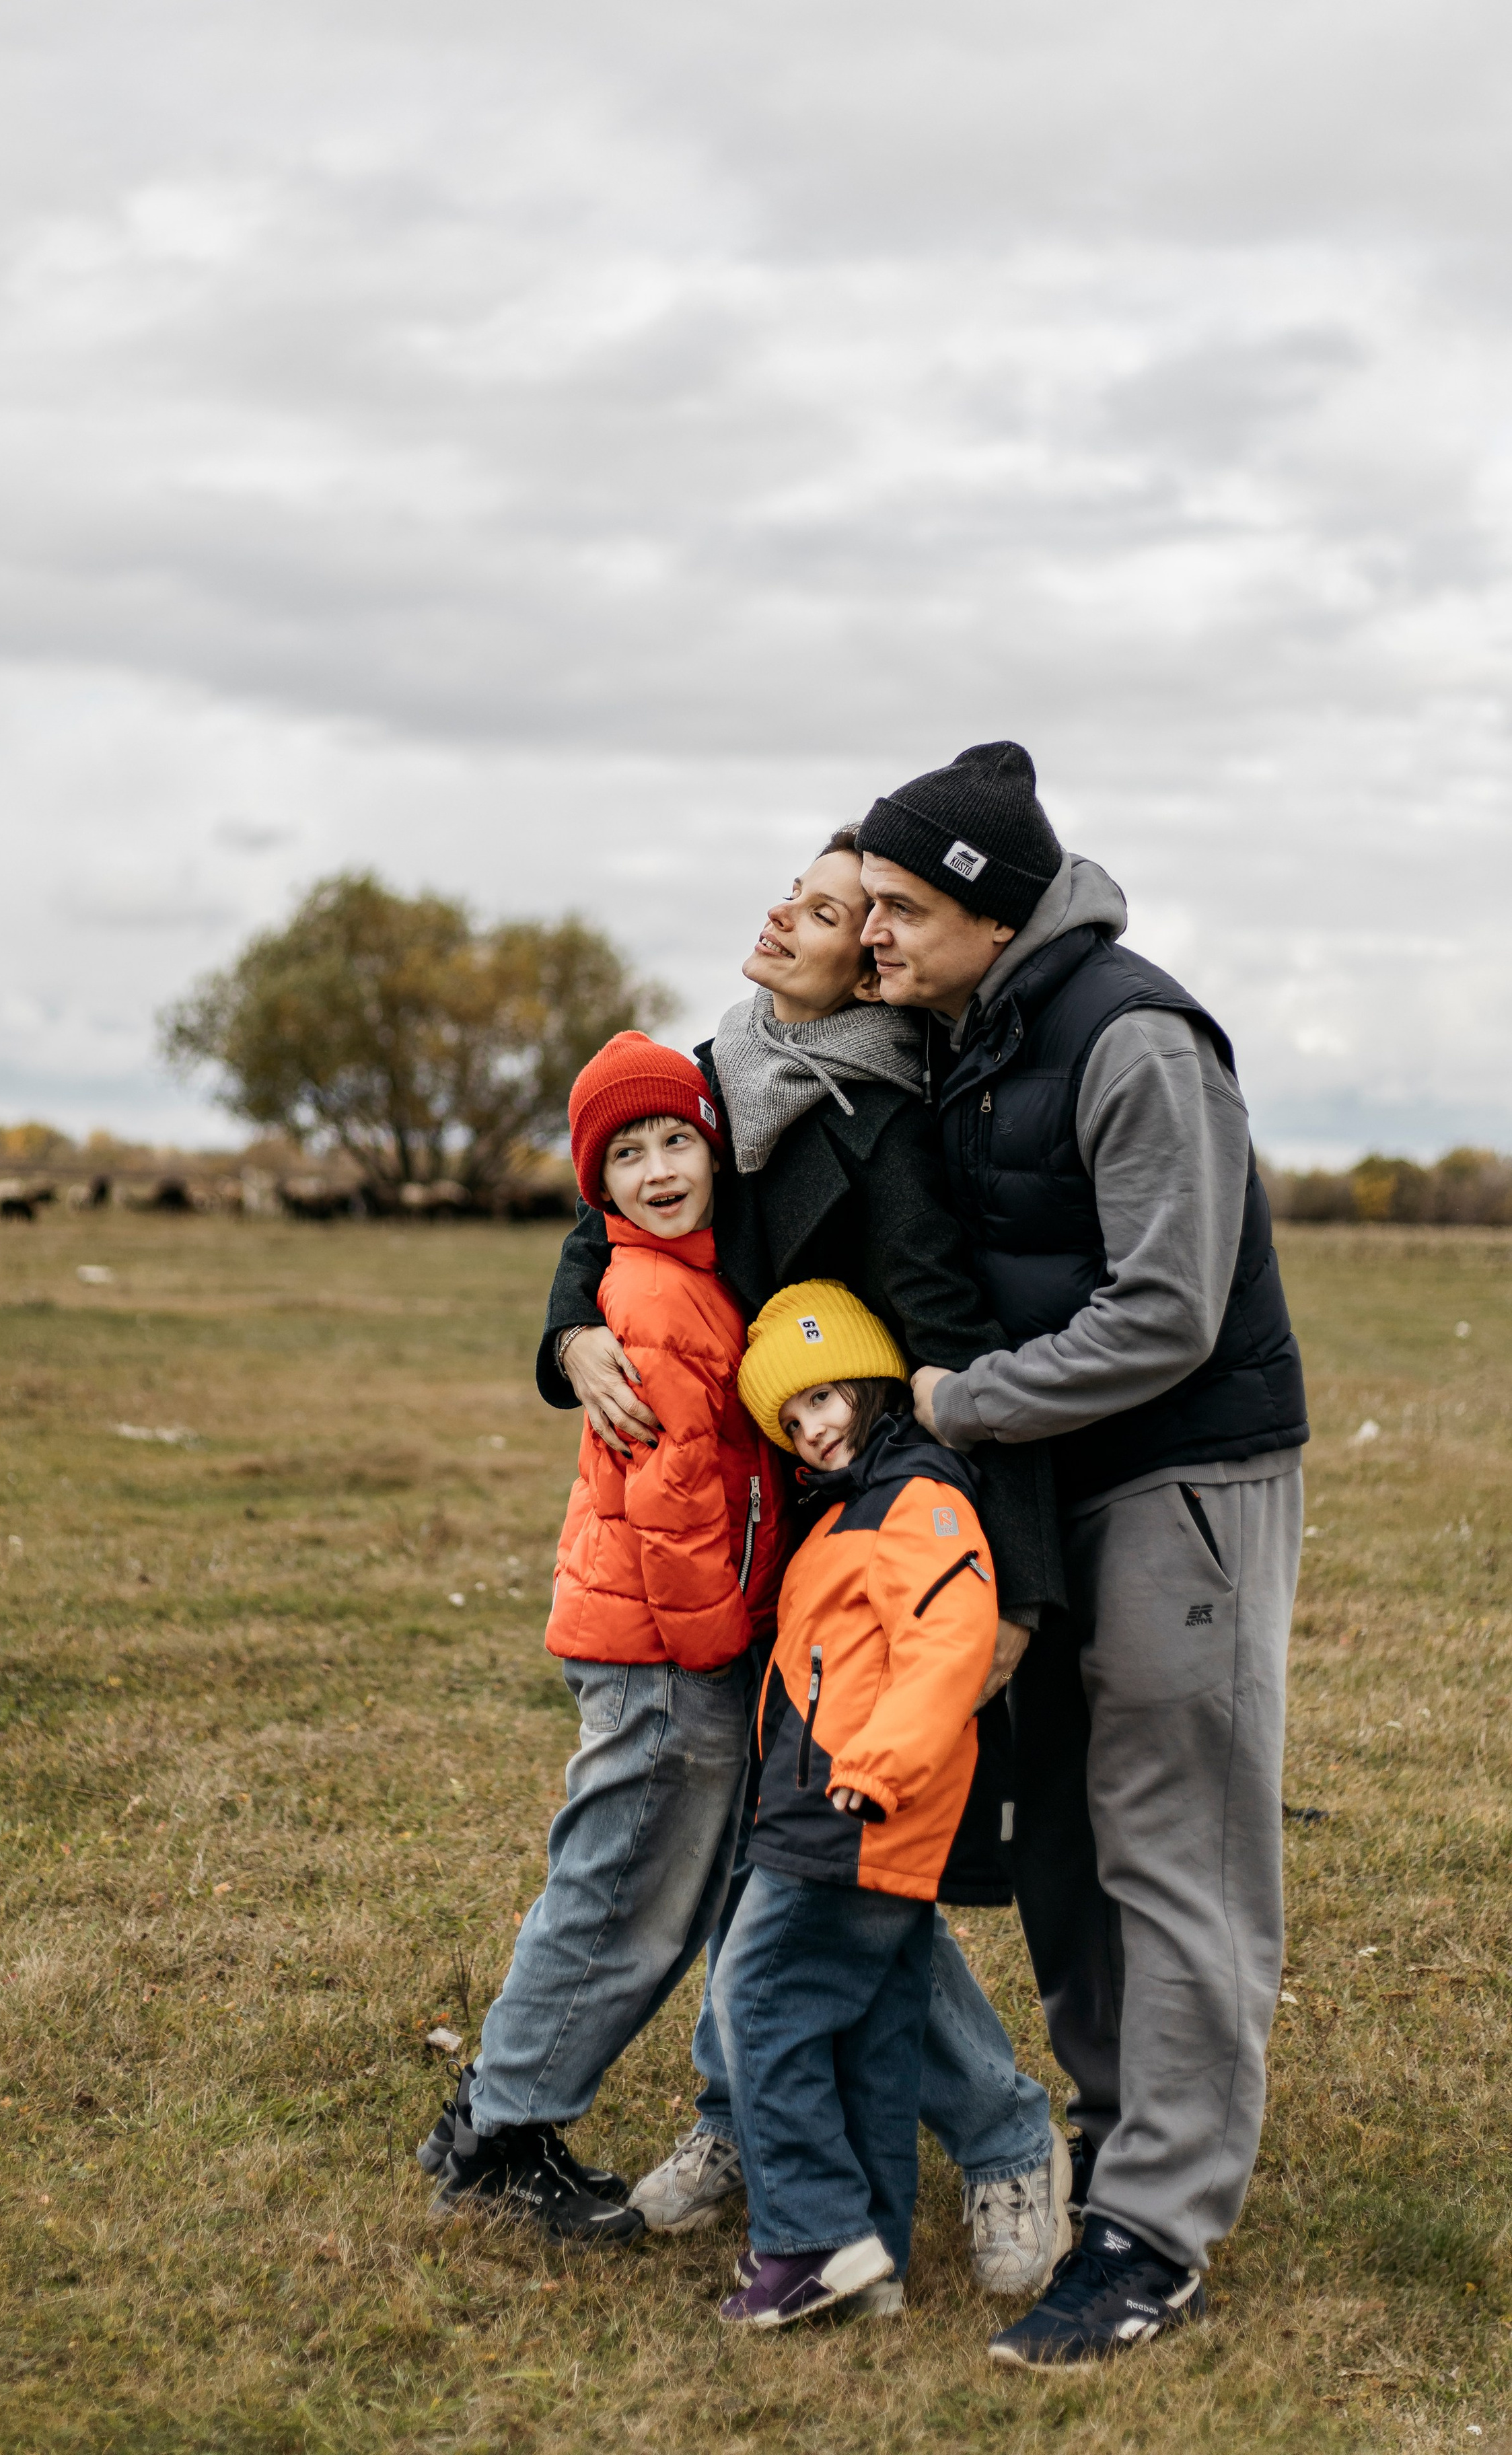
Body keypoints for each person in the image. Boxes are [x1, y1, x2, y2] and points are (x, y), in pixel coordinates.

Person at [540, 833, 1071, 2297]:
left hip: (863, 1541)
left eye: (833, 912)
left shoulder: (880, 1133)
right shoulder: (717, 1076)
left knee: (844, 1870)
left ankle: (1004, 2137)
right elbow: (613, 1190)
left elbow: (966, 1359)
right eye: (800, 889)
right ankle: (744, 2121)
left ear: (870, 967)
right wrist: (569, 1330)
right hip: (738, 1543)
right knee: (766, 1861)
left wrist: (1008, 1588)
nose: (787, 914)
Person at [855, 740, 1308, 2367]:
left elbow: (1168, 1308)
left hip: (1181, 1475)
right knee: (1058, 1834)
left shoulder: (1131, 1036)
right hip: (1051, 1487)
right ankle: (1117, 2134)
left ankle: (1153, 2230)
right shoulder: (970, 1032)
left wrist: (963, 1401)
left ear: (987, 906)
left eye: (901, 907)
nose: (875, 936)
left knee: (1168, 1842)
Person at [423, 1030, 788, 2242]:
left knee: (659, 1885)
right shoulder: (654, 1300)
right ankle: (500, 2130)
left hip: (658, 1633)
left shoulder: (684, 1277)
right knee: (624, 1885)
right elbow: (677, 1495)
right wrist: (716, 1645)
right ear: (598, 1186)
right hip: (665, 1646)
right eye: (626, 1154)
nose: (659, 1167)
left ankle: (508, 2114)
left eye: (677, 1140)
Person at [711, 1282, 999, 2327]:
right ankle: (874, 2252)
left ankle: (807, 2238)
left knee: (758, 2000)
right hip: (840, 1804)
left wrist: (878, 1767)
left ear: (874, 1383)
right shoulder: (845, 1506)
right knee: (873, 2034)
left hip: (854, 1808)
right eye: (791, 1418)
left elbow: (949, 1644)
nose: (816, 1428)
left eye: (827, 1396)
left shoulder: (916, 1500)